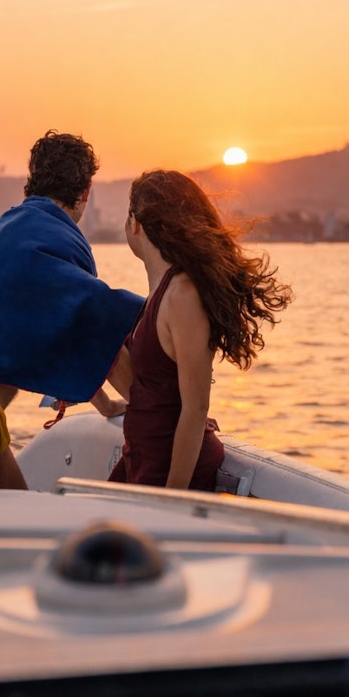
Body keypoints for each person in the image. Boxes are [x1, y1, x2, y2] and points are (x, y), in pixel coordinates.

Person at [0, 131, 144, 489]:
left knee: (23, 519)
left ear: (32, 180)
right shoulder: (55, 240)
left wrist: (107, 405)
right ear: (85, 192)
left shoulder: (5, 231)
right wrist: (151, 410)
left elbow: (75, 333)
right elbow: (98, 327)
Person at [107, 170, 292, 491]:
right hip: (143, 459)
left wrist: (173, 494)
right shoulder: (160, 293)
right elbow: (152, 390)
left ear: (135, 223)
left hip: (170, 472)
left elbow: (195, 409)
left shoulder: (182, 296)